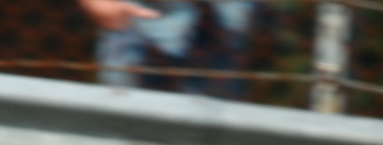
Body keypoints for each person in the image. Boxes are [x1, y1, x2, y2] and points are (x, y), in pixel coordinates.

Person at [78, 0, 262, 101]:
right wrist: (100, 6)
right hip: (137, 25)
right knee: (124, 130)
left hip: (217, 39)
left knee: (210, 141)